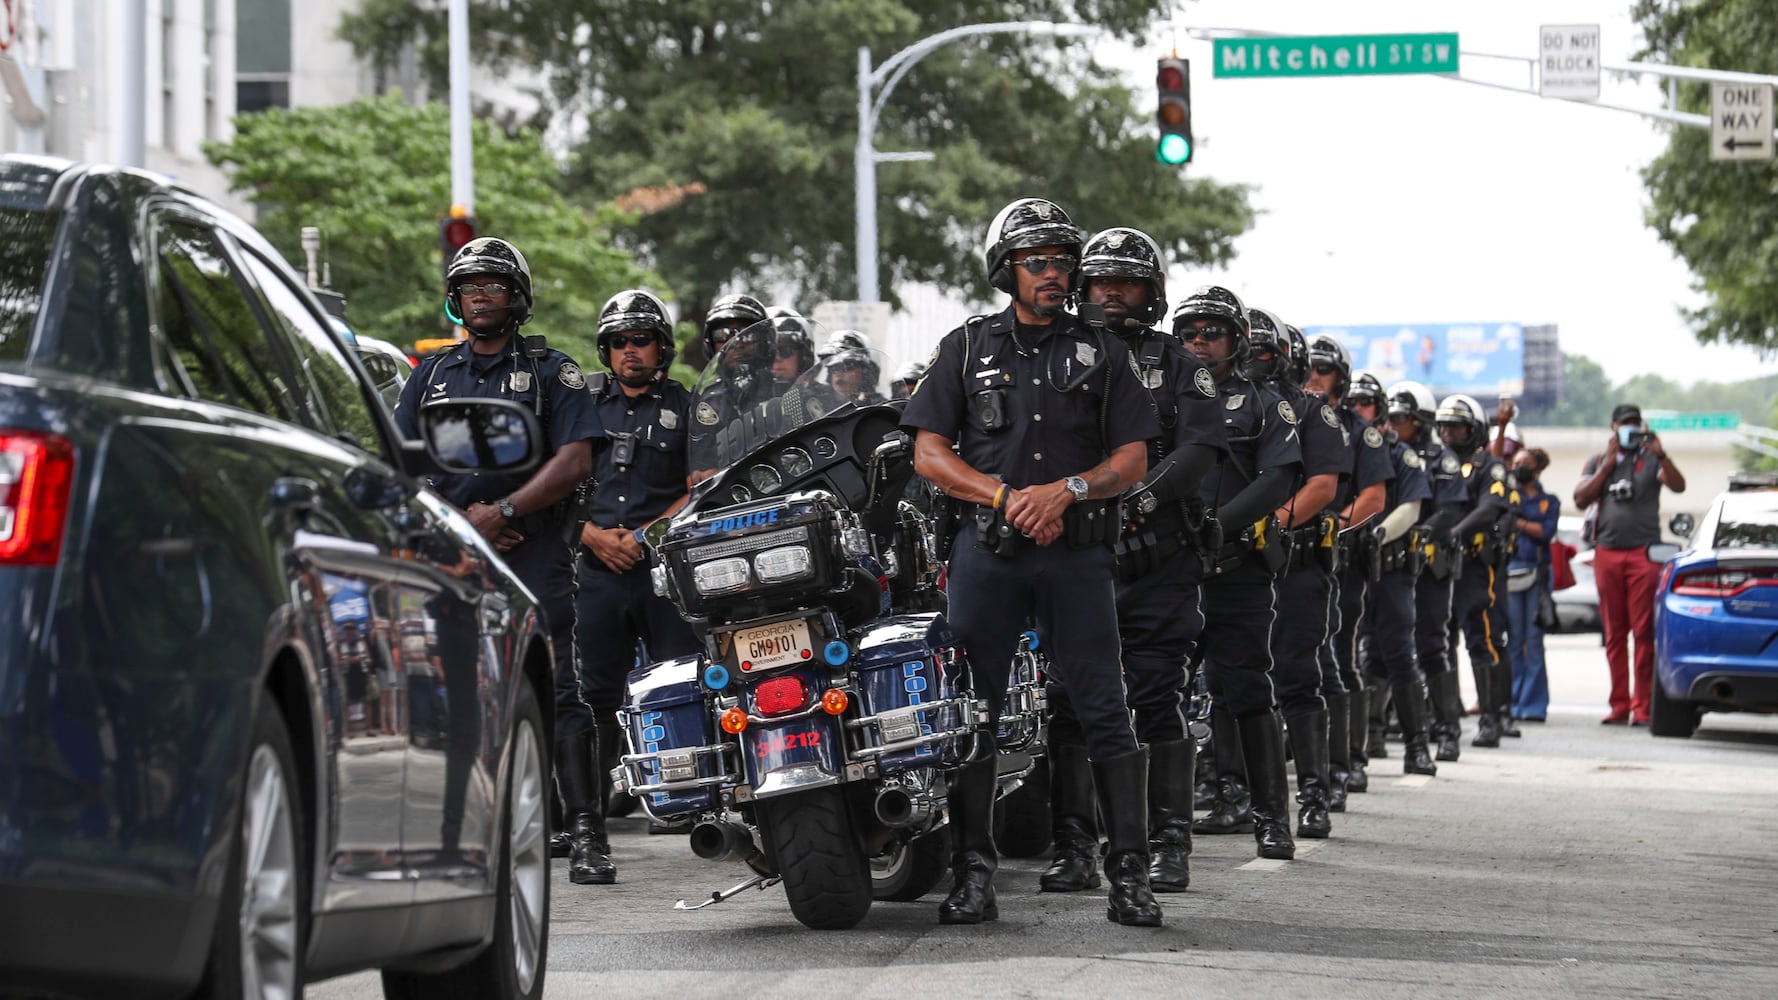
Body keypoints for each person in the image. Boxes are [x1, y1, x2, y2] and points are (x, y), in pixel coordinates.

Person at [903, 197, 1162, 927]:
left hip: (1076, 558)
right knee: (971, 714)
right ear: (1007, 269)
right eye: (1037, 261)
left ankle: (1130, 880)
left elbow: (1133, 457)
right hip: (987, 556)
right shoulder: (965, 347)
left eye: (1063, 261)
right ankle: (973, 876)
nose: (1054, 273)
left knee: (1106, 711)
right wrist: (1007, 496)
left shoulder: (1105, 351)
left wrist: (1069, 490)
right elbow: (929, 453)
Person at [394, 237, 603, 885]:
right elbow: (402, 460)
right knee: (451, 692)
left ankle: (588, 833)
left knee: (558, 688)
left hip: (532, 553)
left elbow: (576, 460)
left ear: (516, 296)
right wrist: (461, 527)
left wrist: (504, 513)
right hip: (452, 556)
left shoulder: (551, 371)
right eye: (468, 287)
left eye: (493, 284)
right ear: (455, 301)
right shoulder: (429, 375)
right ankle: (453, 832)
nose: (480, 295)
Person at [1035, 227, 1223, 897]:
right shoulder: (1055, 357)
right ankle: (1075, 847)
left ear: (1153, 291)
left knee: (1153, 697)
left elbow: (1200, 449)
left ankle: (1168, 844)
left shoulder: (1181, 365)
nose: (1111, 291)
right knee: (1067, 703)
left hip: (1158, 558)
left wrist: (1138, 498)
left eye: (1128, 280)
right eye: (1100, 280)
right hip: (1078, 556)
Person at [572, 289, 704, 878]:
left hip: (659, 568)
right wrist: (590, 535)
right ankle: (588, 821)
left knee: (680, 680)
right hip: (595, 569)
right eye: (620, 342)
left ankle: (694, 804)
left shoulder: (689, 407)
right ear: (607, 350)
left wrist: (647, 534)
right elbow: (555, 477)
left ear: (661, 348)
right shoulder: (580, 404)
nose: (630, 351)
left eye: (641, 340)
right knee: (592, 696)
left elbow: (702, 485)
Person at [1179, 287, 1303, 863]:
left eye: (1212, 333)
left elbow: (1277, 481)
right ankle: (1165, 832)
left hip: (1235, 570)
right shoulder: (1157, 399)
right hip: (1167, 571)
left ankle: (1272, 819)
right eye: (1190, 333)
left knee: (1249, 692)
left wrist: (1217, 527)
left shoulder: (1264, 404)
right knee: (1158, 695)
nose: (1199, 343)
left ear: (1237, 342)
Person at [1245, 309, 1349, 840]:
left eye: (1265, 349)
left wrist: (1272, 522)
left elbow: (1325, 486)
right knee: (1233, 681)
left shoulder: (1312, 411)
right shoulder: (1228, 403)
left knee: (1296, 676)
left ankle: (1313, 796)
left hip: (1297, 562)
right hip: (1237, 562)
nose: (1255, 357)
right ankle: (1231, 792)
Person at [1304, 341, 1397, 806]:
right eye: (1309, 368)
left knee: (1336, 659)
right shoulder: (1290, 417)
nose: (1315, 376)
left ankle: (1346, 765)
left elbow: (1374, 498)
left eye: (1324, 369)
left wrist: (1335, 526)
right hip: (1282, 556)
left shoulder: (1361, 433)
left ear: (1340, 376)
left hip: (1337, 558)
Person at [1574, 403, 1686, 725]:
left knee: (1643, 632)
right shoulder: (1597, 461)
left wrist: (1662, 454)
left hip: (1643, 555)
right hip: (1607, 553)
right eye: (1625, 424)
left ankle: (1642, 706)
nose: (1630, 429)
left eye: (1636, 424)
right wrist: (1608, 465)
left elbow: (1679, 486)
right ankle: (1619, 704)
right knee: (1614, 633)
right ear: (1613, 428)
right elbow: (1581, 498)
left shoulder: (1652, 459)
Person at [1385, 381, 1469, 762]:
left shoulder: (1443, 459)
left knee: (1433, 645)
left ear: (1418, 420)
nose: (1393, 422)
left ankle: (1447, 731)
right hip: (1390, 563)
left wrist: (1419, 530)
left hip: (1430, 563)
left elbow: (1451, 509)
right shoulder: (1387, 452)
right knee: (1379, 646)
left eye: (1400, 417)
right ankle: (1372, 731)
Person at [1435, 394, 1518, 747]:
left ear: (1474, 429)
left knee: (1481, 640)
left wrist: (1455, 533)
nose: (1450, 433)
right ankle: (1445, 720)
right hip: (1437, 566)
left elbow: (1492, 506)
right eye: (1445, 426)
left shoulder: (1489, 466)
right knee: (1439, 642)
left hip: (1473, 565)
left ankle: (1491, 719)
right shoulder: (1436, 462)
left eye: (1457, 426)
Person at [1507, 447, 1560, 723]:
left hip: (1537, 575)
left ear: (1537, 468)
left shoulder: (1548, 501)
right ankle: (1513, 702)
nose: (1518, 468)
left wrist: (1518, 522)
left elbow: (1545, 532)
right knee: (1514, 641)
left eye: (1525, 464)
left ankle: (1534, 706)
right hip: (1511, 573)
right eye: (1516, 463)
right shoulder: (1507, 494)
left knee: (1534, 641)